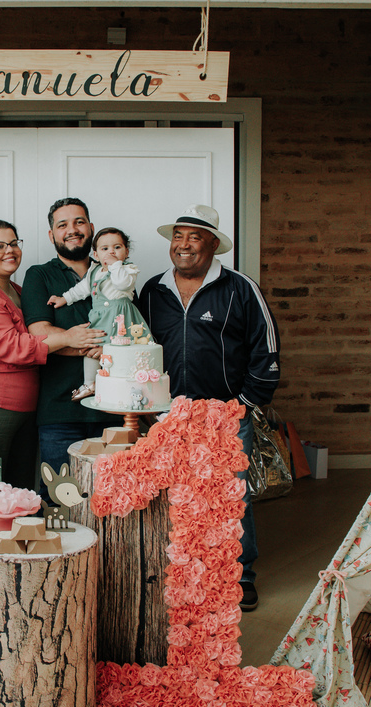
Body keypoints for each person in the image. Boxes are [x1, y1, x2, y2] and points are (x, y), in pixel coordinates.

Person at [138, 204, 281, 612]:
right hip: (166, 416)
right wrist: (149, 407)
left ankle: (240, 577)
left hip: (224, 417)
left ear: (213, 244)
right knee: (175, 498)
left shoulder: (239, 288)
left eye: (194, 237)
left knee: (231, 499)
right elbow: (139, 345)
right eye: (177, 236)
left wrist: (244, 404)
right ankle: (184, 576)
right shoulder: (152, 290)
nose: (183, 245)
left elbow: (265, 350)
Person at [0, 219, 102, 489]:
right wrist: (68, 337)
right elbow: (12, 346)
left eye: (13, 243)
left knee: (17, 495)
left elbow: (33, 339)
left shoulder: (17, 292)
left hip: (25, 408)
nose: (9, 250)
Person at [20, 199, 113, 477]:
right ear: (52, 235)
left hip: (113, 411)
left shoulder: (113, 273)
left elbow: (132, 332)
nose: (72, 230)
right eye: (63, 225)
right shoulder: (39, 276)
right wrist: (103, 347)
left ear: (91, 228)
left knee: (114, 504)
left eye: (79, 222)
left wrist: (73, 339)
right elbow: (40, 335)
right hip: (59, 413)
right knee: (58, 500)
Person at [48, 227, 150, 400]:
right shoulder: (94, 271)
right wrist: (64, 299)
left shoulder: (128, 270)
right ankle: (90, 383)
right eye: (105, 249)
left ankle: (131, 387)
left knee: (122, 351)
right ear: (96, 254)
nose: (111, 252)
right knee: (91, 349)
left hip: (120, 318)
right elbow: (81, 289)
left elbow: (122, 284)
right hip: (101, 318)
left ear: (126, 251)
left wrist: (115, 265)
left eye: (117, 247)